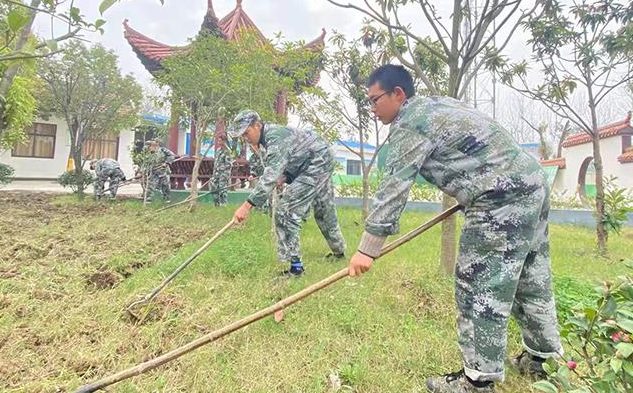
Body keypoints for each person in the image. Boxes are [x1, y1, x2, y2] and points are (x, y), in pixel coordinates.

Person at [347, 65, 562, 392]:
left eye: (375, 101)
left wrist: (367, 248)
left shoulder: (410, 124)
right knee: (532, 276)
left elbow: (393, 187)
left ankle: (477, 381)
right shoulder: (439, 105)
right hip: (530, 182)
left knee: (480, 285)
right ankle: (541, 360)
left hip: (499, 197)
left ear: (398, 94)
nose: (372, 110)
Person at [230, 110, 346, 277]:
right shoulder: (270, 137)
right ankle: (339, 252)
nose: (245, 138)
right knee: (323, 207)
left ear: (257, 125)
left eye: (246, 133)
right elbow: (290, 161)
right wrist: (284, 177)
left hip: (317, 163)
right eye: (242, 135)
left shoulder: (275, 137)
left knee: (286, 210)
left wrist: (246, 206)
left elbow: (270, 176)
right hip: (315, 160)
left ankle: (296, 268)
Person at [144, 140, 176, 204]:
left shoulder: (163, 150)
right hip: (153, 172)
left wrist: (166, 163)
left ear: (154, 146)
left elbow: (172, 155)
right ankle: (148, 200)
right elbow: (145, 163)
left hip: (163, 172)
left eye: (149, 146)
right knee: (150, 186)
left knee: (165, 185)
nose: (148, 148)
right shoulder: (148, 153)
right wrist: (142, 171)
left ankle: (167, 200)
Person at [211, 131, 234, 207]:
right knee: (214, 189)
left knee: (222, 190)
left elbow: (228, 165)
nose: (218, 142)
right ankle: (216, 205)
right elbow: (216, 162)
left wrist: (220, 169)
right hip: (216, 174)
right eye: (218, 140)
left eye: (220, 140)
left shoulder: (227, 151)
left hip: (223, 174)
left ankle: (223, 205)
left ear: (224, 141)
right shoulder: (218, 151)